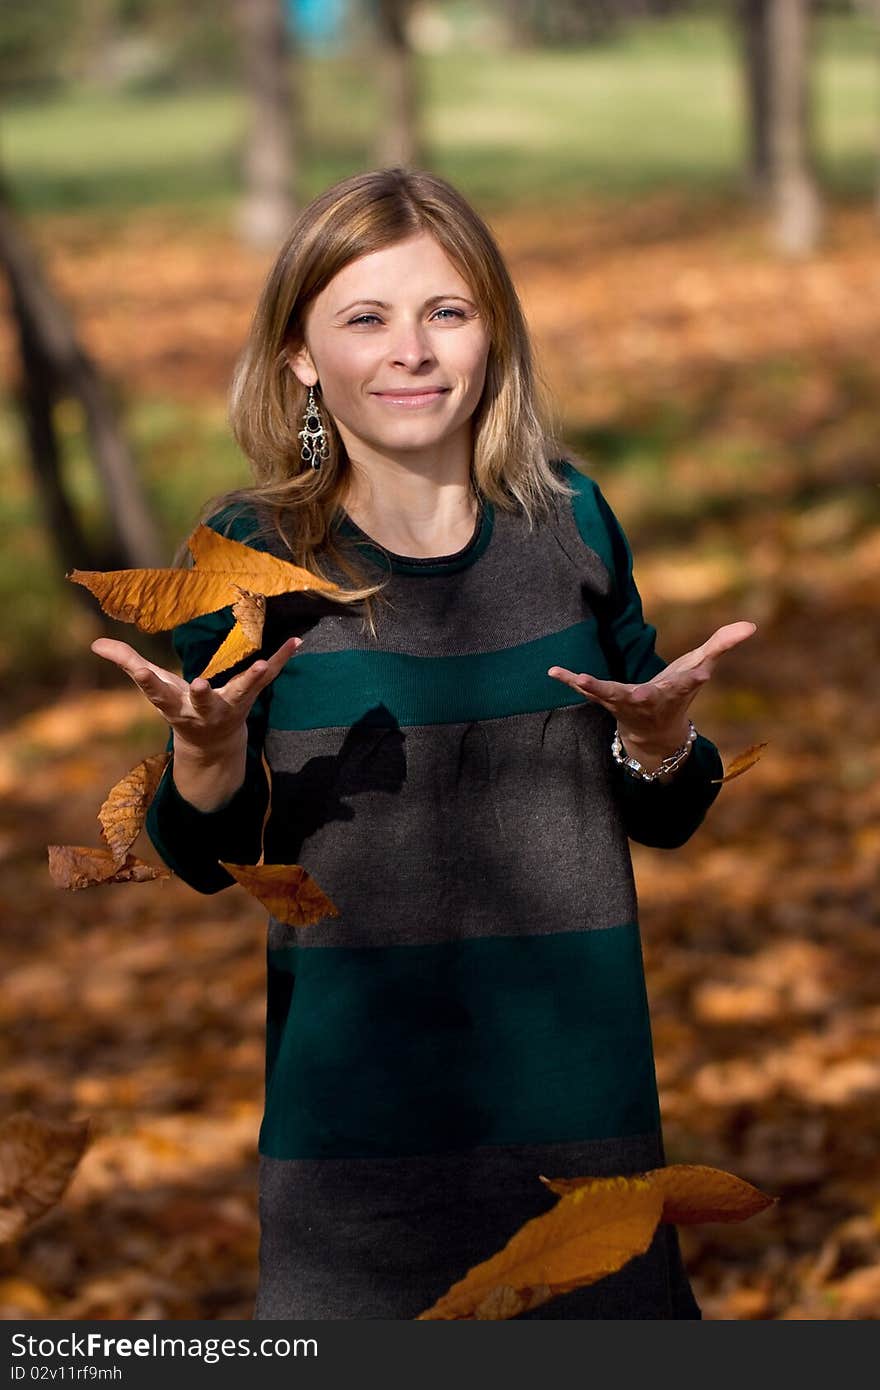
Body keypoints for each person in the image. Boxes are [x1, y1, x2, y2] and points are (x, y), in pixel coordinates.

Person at [91, 167, 756, 1320]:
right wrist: (204, 755)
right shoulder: (249, 556)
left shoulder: (570, 519)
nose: (412, 349)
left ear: (491, 332)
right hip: (355, 1163)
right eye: (365, 318)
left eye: (445, 312)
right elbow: (201, 853)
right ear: (300, 355)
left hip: (584, 1144)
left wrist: (661, 736)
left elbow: (666, 805)